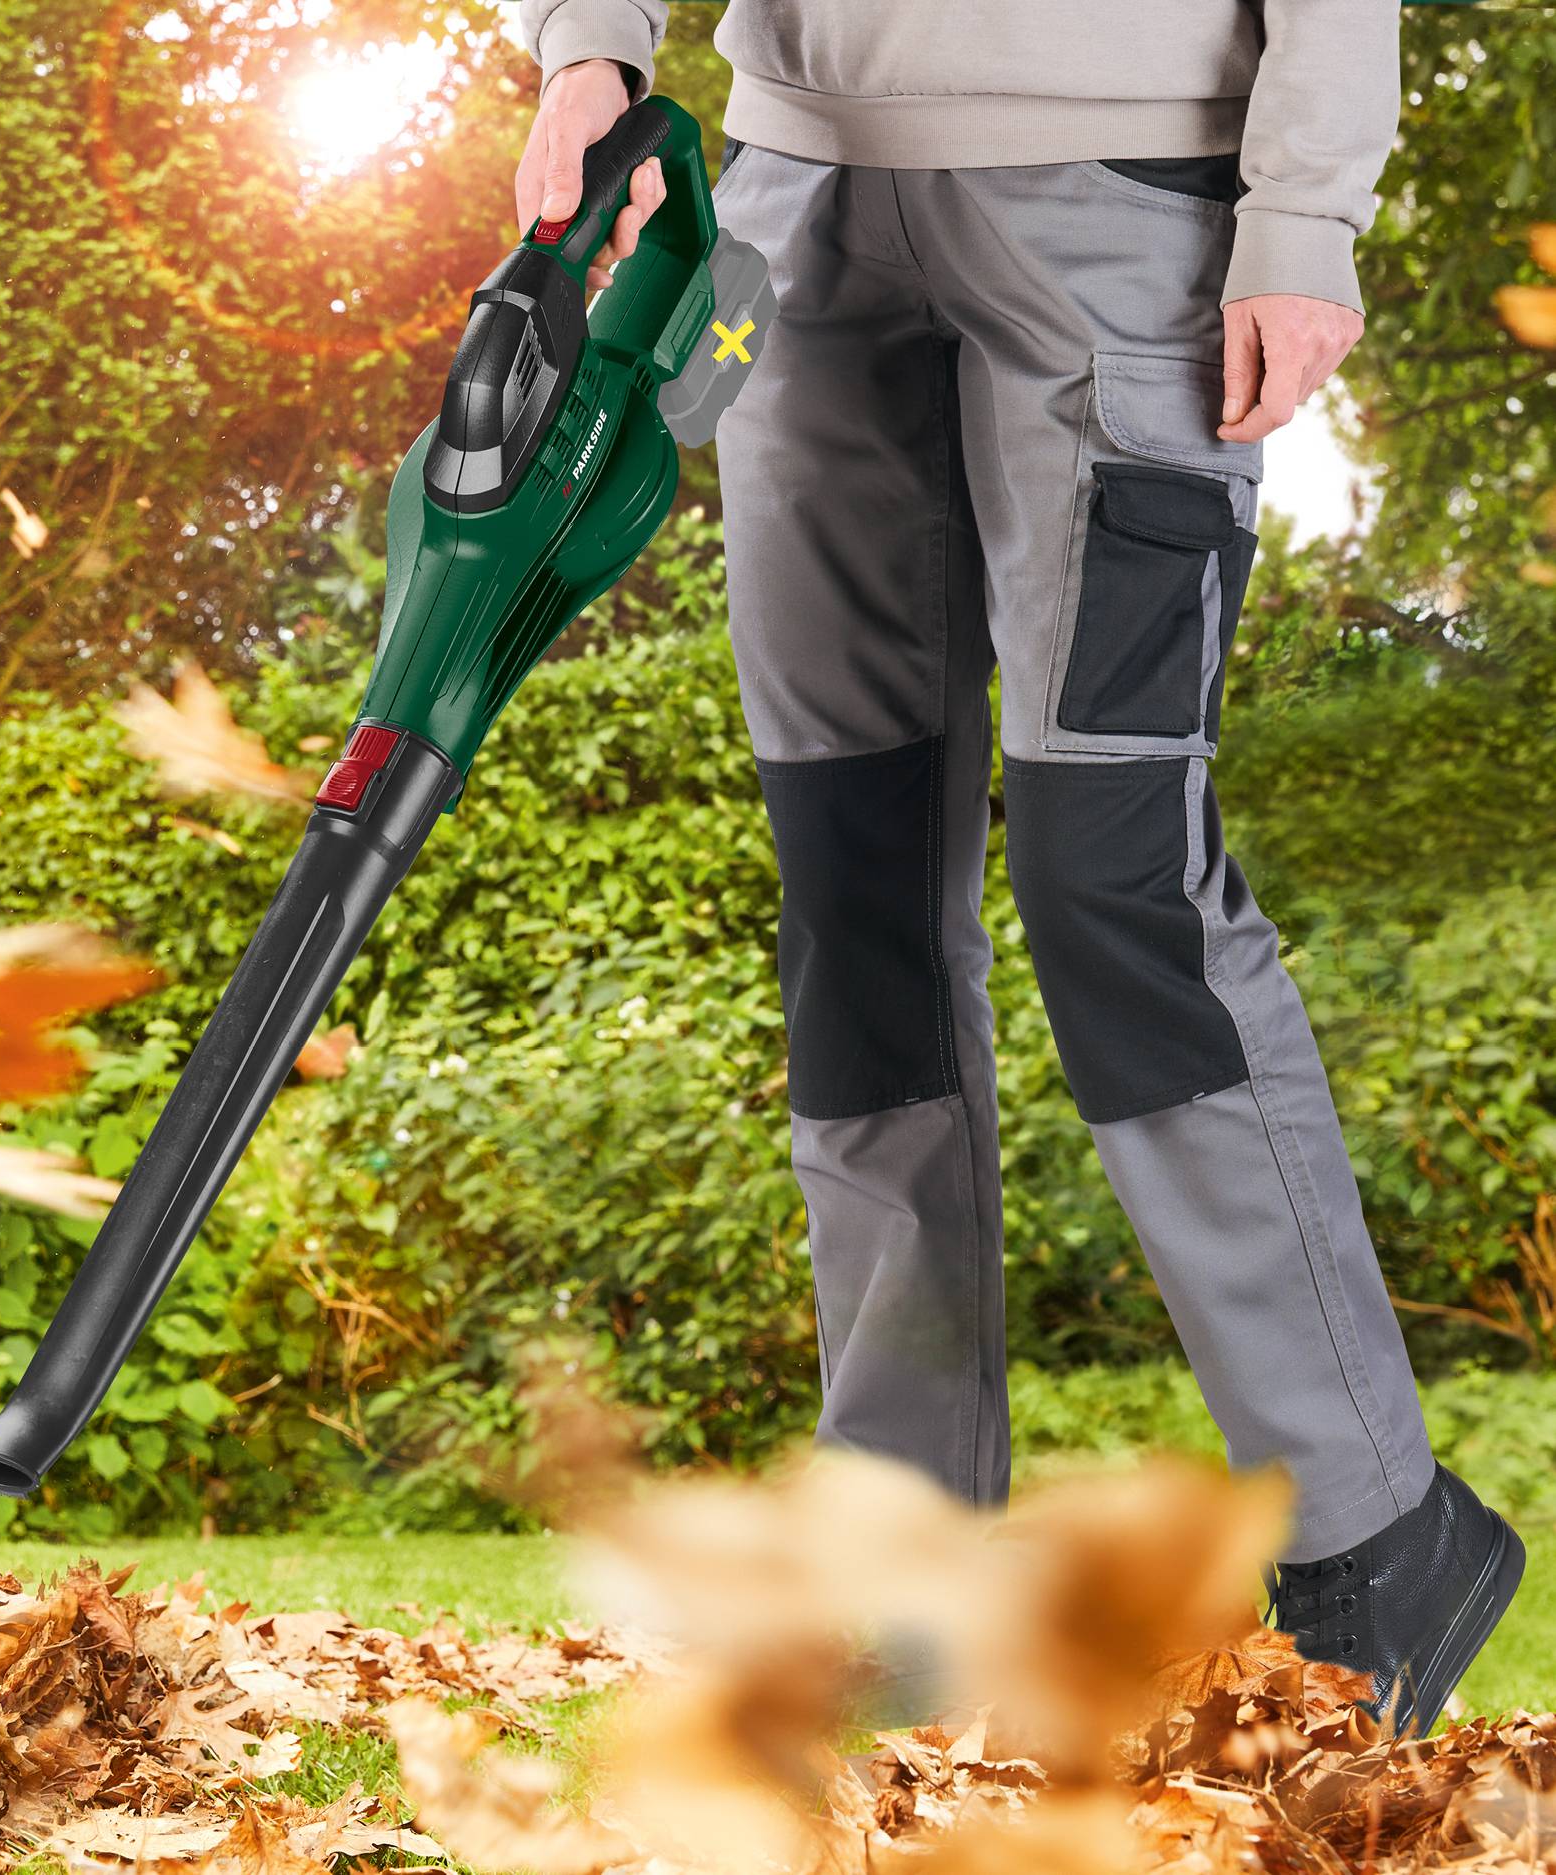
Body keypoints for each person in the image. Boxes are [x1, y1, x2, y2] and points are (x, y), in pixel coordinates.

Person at [502, 2, 1519, 1733]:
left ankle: (1378, 1532)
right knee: (852, 881)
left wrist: (1306, 208)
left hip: (1130, 199)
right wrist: (583, 42)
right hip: (791, 203)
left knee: (1113, 874)